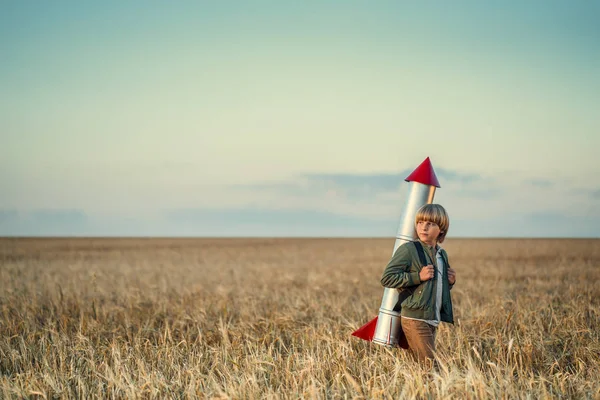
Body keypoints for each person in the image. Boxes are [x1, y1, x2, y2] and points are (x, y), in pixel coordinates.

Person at [380, 204, 456, 364]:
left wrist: (449, 283)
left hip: (432, 319)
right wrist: (417, 276)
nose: (424, 227)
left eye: (430, 223)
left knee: (420, 367)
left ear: (441, 229)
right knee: (431, 366)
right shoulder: (409, 249)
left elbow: (434, 288)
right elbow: (387, 278)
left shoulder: (442, 254)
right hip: (415, 318)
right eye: (420, 223)